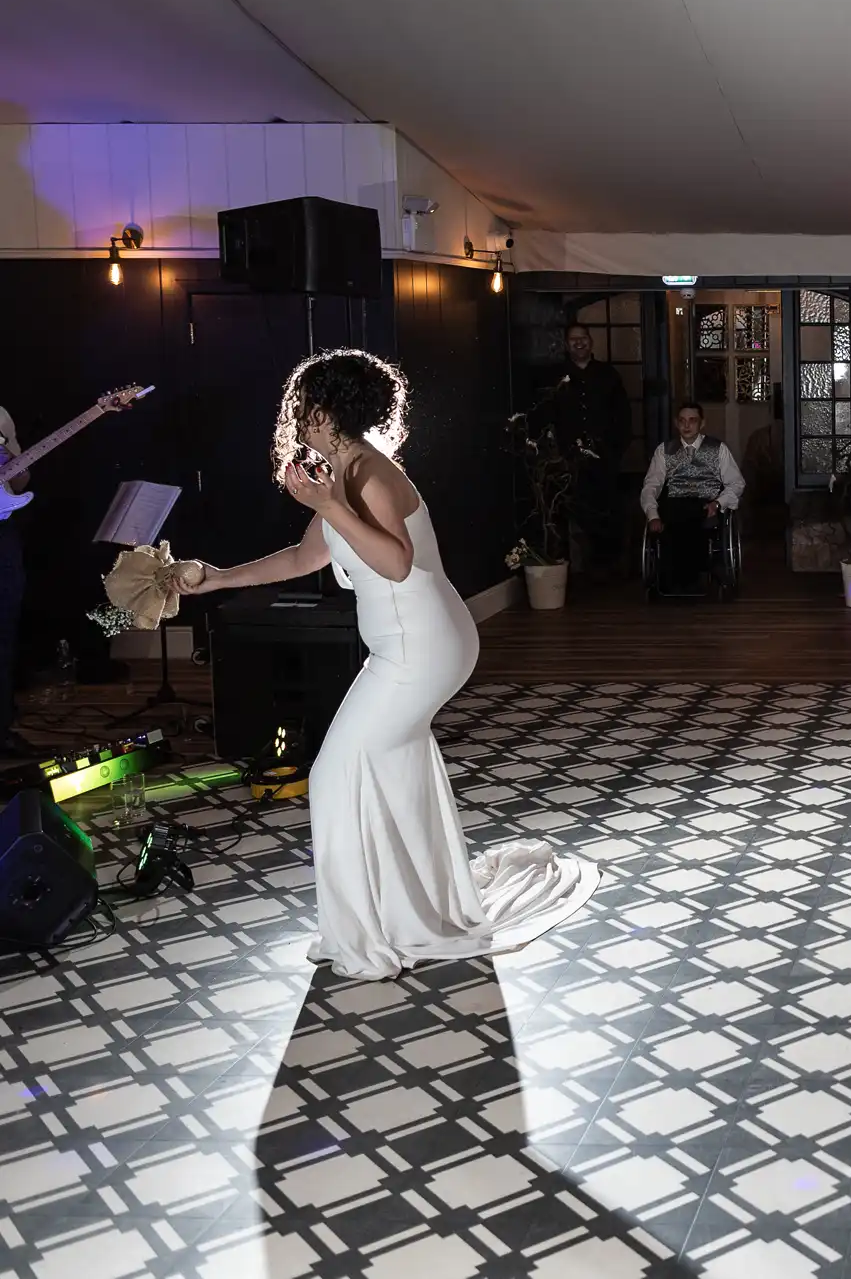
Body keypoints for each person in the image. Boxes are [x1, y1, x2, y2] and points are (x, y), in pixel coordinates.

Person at [173, 350, 598, 979]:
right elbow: (301, 559)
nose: (296, 419)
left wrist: (328, 500)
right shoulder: (345, 474)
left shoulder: (369, 474)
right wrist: (215, 580)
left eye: (303, 407)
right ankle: (408, 910)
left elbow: (396, 562)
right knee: (394, 772)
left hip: (418, 649)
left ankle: (364, 938)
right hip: (412, 643)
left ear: (324, 411)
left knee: (332, 775)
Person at [545, 324, 632, 580]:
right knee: (572, 511)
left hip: (605, 458)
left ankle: (609, 568)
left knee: (607, 510)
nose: (578, 343)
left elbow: (623, 417)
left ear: (591, 342)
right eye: (573, 340)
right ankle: (578, 570)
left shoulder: (608, 375)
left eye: (582, 338)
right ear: (566, 344)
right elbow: (549, 416)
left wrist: (614, 450)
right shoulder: (557, 377)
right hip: (569, 461)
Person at [639, 402, 745, 594]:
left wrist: (718, 503)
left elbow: (737, 483)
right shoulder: (664, 450)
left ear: (702, 423)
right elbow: (651, 485)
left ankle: (679, 577)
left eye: (692, 421)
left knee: (691, 515)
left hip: (705, 505)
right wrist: (652, 514)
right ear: (676, 423)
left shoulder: (718, 449)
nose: (687, 426)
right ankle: (688, 575)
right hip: (675, 504)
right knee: (677, 512)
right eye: (682, 421)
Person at [0, 404, 29, 756]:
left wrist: (10, 462)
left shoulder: (2, 415)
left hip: (3, 531)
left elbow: (22, 480)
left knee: (4, 630)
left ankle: (2, 730)